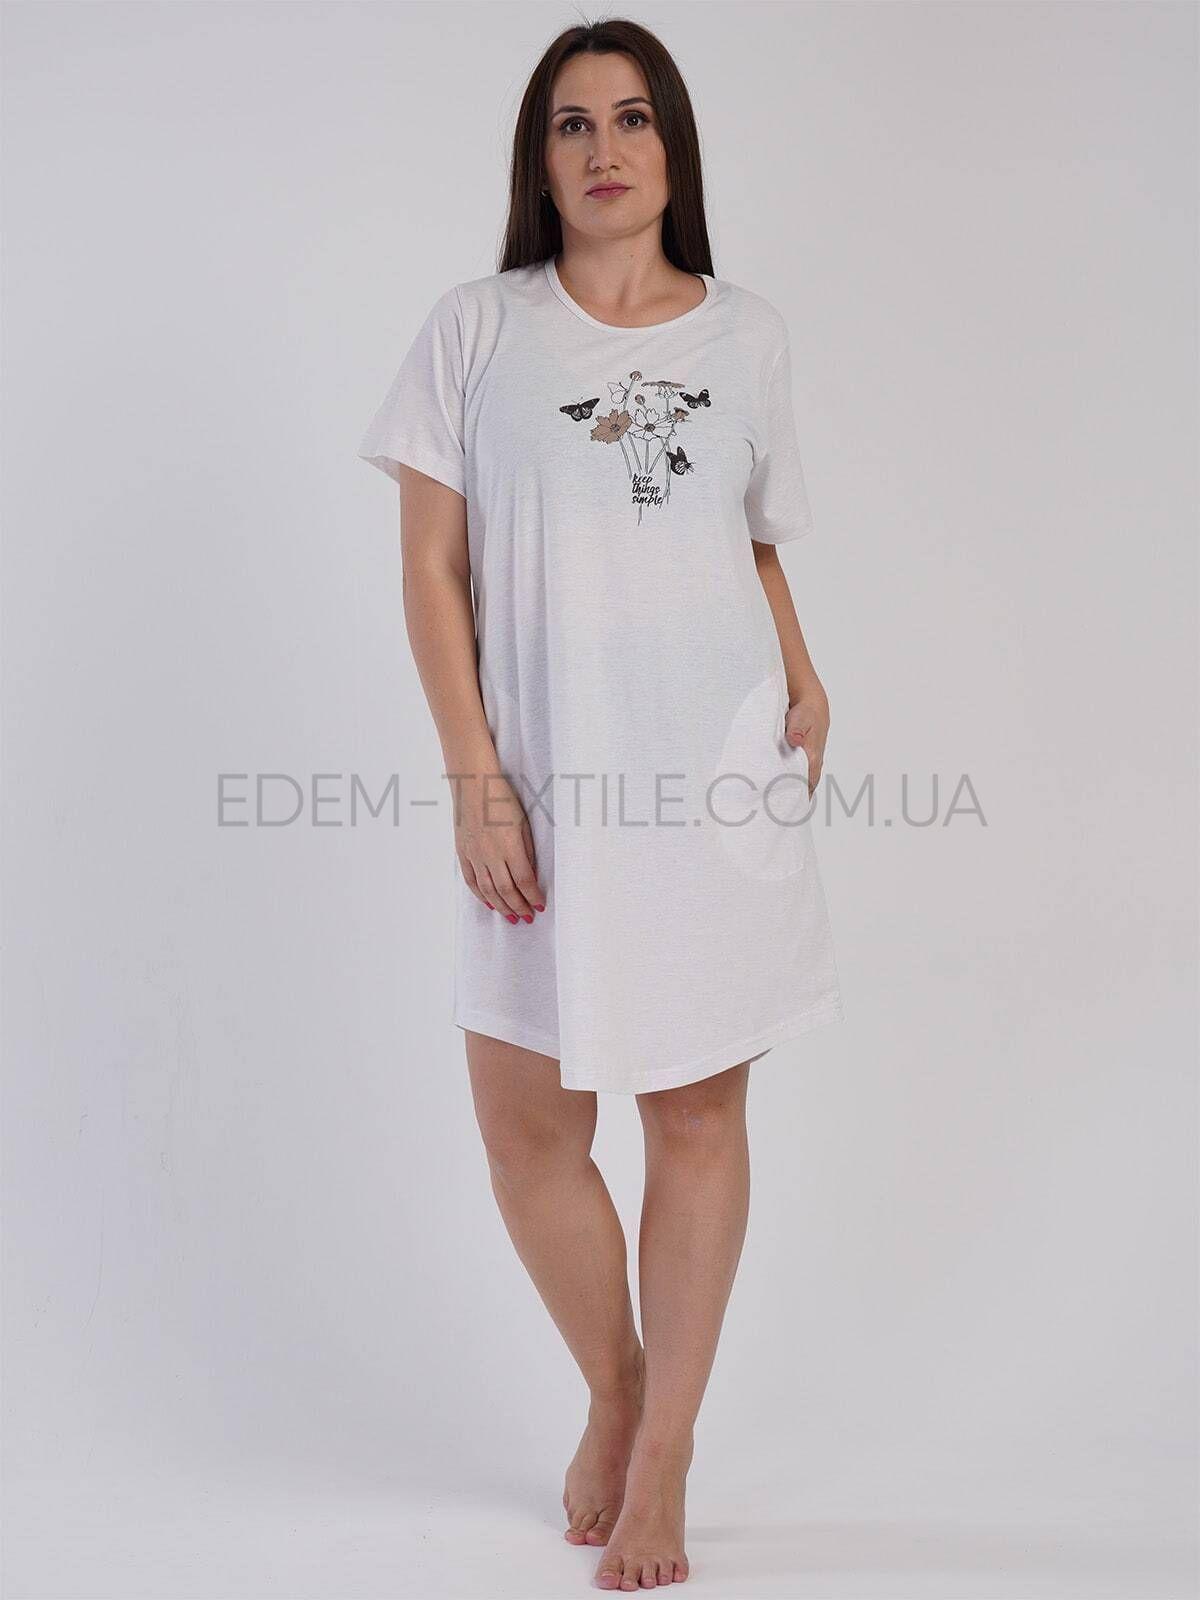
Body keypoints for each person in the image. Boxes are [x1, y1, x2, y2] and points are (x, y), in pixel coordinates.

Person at [358, 17, 843, 1590]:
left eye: (633, 119)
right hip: (546, 787)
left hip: (714, 772)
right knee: (527, 1128)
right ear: (541, 159)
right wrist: (474, 774)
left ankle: (669, 1456)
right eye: (572, 124)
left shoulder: (748, 335)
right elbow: (432, 568)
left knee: (694, 1115)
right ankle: (618, 1388)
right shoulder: (477, 329)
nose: (605, 148)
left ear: (674, 151)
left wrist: (803, 670)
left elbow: (750, 536)